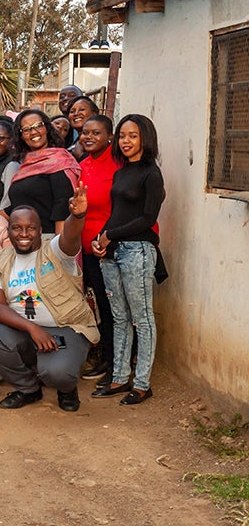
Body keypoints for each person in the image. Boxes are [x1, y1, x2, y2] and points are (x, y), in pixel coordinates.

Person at [0, 185, 99, 412]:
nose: (24, 234)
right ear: (9, 231)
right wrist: (32, 328)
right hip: (26, 331)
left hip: (66, 327)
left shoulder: (55, 250)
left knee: (56, 373)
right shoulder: (0, 260)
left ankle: (66, 388)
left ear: (40, 230)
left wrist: (77, 216)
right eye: (17, 228)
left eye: (30, 228)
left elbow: (70, 238)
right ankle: (28, 389)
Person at [91, 114, 165, 406]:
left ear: (145, 138)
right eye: (122, 136)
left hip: (138, 252)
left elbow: (148, 218)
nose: (126, 141)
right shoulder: (121, 173)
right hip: (113, 252)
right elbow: (119, 212)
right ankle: (119, 378)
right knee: (120, 318)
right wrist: (101, 237)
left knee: (142, 319)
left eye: (133, 136)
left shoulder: (152, 173)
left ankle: (143, 384)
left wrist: (111, 234)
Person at [76, 114, 118, 384]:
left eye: (96, 133)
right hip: (86, 250)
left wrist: (107, 238)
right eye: (85, 133)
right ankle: (103, 357)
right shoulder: (82, 165)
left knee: (113, 308)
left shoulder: (118, 165)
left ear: (109, 137)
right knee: (97, 307)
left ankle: (115, 364)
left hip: (110, 249)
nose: (88, 137)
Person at [6, 109, 80, 235]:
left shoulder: (59, 160)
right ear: (21, 136)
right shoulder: (26, 164)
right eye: (27, 129)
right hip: (23, 239)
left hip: (48, 240)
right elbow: (21, 203)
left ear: (46, 128)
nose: (33, 132)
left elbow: (62, 206)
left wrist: (58, 248)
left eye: (38, 126)